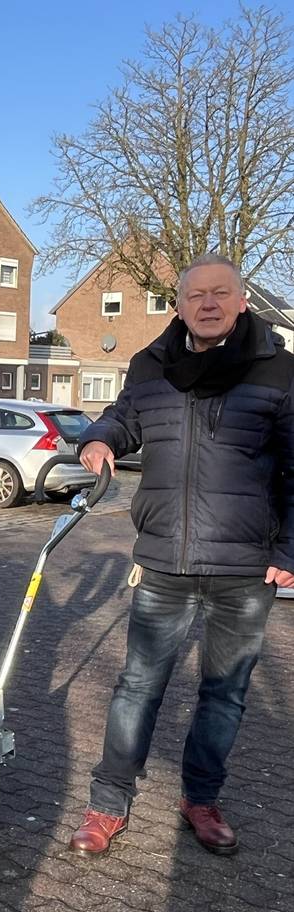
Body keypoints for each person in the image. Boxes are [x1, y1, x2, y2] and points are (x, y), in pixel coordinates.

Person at [70, 253, 294, 859]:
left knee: (225, 692)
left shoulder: (279, 372)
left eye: (222, 293)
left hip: (247, 568)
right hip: (164, 561)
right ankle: (107, 803)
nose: (209, 304)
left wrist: (289, 548)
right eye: (196, 295)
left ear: (242, 300)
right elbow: (124, 420)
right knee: (137, 685)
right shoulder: (152, 365)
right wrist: (97, 439)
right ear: (179, 305)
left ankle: (201, 798)